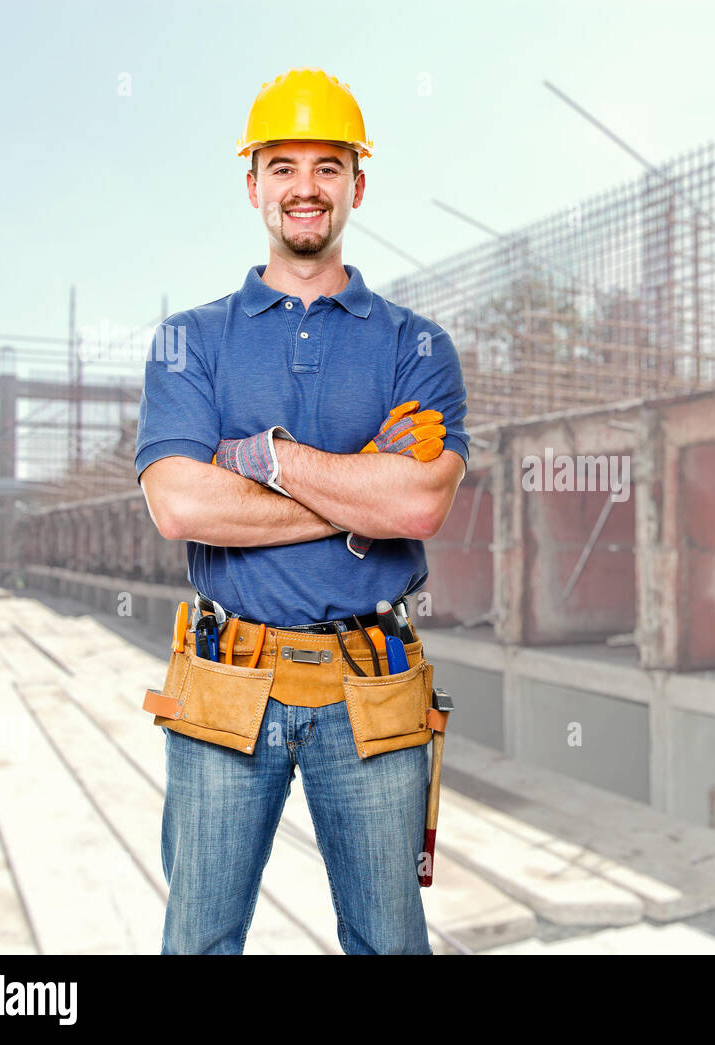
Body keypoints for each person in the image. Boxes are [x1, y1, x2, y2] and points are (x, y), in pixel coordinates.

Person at [134, 67, 469, 955]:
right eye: (283, 166)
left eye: (327, 166)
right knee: (198, 941)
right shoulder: (191, 339)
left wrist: (268, 459)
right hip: (225, 676)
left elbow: (423, 501)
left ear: (357, 184)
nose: (305, 187)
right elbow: (177, 503)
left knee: (389, 943)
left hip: (373, 676)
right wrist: (365, 484)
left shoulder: (417, 345)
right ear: (253, 185)